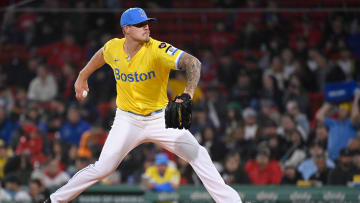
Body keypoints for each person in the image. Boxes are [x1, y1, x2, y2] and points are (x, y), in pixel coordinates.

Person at [46, 8, 242, 203]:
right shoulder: (114, 47)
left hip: (160, 119)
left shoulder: (157, 49)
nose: (146, 27)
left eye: (147, 23)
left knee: (198, 154)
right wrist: (82, 75)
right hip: (127, 119)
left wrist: (188, 93)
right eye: (140, 24)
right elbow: (102, 55)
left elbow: (194, 63)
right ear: (126, 29)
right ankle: (55, 200)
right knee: (103, 168)